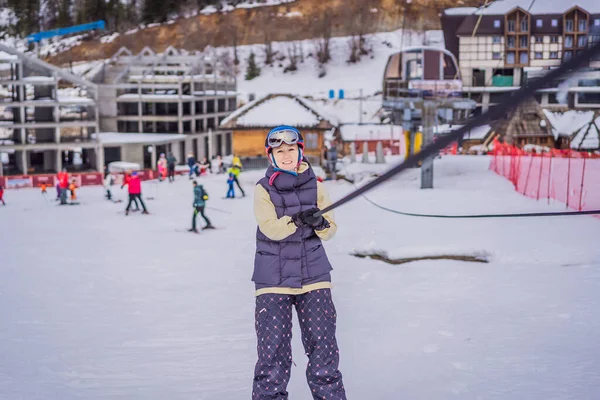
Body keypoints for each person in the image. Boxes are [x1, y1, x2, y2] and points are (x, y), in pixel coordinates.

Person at [251, 125, 346, 399]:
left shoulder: (317, 187)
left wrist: (320, 221)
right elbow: (271, 228)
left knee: (324, 349)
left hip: (314, 275)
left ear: (300, 151)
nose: (287, 155)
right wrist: (296, 220)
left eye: (291, 149)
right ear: (271, 155)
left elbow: (330, 232)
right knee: (273, 353)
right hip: (273, 281)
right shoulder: (262, 189)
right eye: (280, 151)